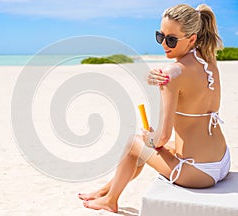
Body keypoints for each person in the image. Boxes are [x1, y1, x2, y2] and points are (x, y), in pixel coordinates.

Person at [78, 3, 231, 213]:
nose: (164, 45)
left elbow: (161, 137)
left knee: (134, 142)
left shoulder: (173, 73)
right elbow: (190, 91)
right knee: (147, 146)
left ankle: (110, 200)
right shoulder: (209, 61)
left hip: (198, 172)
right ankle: (107, 190)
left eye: (171, 40)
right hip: (222, 160)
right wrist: (159, 81)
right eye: (161, 37)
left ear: (192, 38)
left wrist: (150, 136)